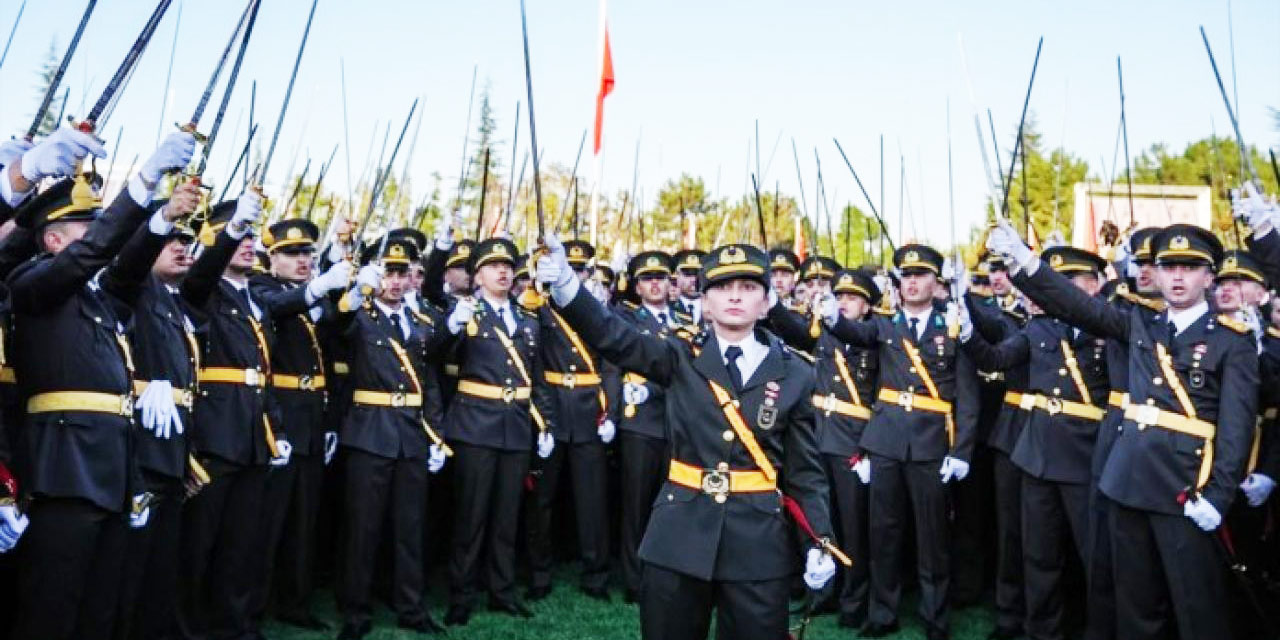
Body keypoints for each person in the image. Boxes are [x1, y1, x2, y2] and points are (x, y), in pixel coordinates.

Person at [537, 237, 836, 640]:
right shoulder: (679, 355)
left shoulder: (796, 373)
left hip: (757, 542)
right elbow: (613, 336)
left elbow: (805, 472)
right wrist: (567, 288)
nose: (734, 297)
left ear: (767, 303)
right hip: (679, 534)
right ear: (704, 301)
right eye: (722, 287)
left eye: (748, 287)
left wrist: (821, 539)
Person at [988, 220, 1258, 640]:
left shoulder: (1232, 340)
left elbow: (1237, 429)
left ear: (1209, 276)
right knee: (1135, 606)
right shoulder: (1140, 323)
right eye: (1169, 267)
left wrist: (1219, 496)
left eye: (1189, 267)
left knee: (1196, 607)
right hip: (1126, 483)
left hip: (1186, 488)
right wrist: (1025, 261)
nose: (1178, 277)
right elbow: (1076, 305)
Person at [6, 129, 194, 640]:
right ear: (52, 239)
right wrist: (143, 181)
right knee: (54, 606)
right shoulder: (33, 283)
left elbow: (127, 269)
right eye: (83, 227)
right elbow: (90, 257)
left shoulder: (97, 298)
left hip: (112, 468)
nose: (96, 236)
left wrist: (161, 218)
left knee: (100, 607)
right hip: (63, 469)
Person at [820, 243, 979, 640]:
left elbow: (968, 397)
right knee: (883, 533)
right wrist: (831, 318)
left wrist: (961, 452)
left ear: (935, 282)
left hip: (930, 444)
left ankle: (934, 617)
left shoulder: (954, 325)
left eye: (920, 275)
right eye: (905, 276)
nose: (911, 282)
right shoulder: (886, 325)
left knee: (932, 538)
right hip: (886, 441)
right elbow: (854, 332)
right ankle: (882, 612)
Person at [960, 246, 1111, 640]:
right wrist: (967, 335)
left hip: (1087, 455)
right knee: (1037, 554)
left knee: (1095, 557)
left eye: (1068, 283)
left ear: (1094, 286)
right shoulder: (1040, 328)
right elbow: (996, 358)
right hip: (1037, 454)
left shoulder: (1111, 328)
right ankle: (1041, 631)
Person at [334, 235, 450, 640]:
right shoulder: (360, 315)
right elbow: (337, 323)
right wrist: (355, 289)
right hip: (370, 431)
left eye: (403, 273)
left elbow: (429, 382)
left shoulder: (420, 324)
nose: (396, 281)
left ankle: (411, 608)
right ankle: (355, 612)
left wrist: (436, 435)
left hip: (411, 434)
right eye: (389, 272)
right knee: (363, 528)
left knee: (410, 527)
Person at [440, 236, 554, 626]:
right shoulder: (465, 314)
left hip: (516, 426)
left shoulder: (526, 318)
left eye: (508, 266)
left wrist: (545, 423)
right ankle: (461, 594)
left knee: (507, 516)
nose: (503, 272)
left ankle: (501, 591)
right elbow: (434, 355)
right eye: (493, 266)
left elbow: (536, 378)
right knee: (471, 517)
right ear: (477, 275)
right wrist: (451, 326)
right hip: (475, 424)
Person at [110, 188, 203, 640]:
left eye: (186, 241)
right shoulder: (134, 286)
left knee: (160, 562)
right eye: (171, 241)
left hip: (171, 444)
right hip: (139, 445)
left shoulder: (171, 299)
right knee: (130, 564)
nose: (182, 247)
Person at [249, 218, 351, 630]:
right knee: (268, 521)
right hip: (280, 415)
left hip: (311, 415)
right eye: (292, 254)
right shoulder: (262, 288)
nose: (302, 260)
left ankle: (295, 600)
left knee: (303, 520)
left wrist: (350, 295)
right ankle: (254, 606)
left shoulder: (313, 298)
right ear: (271, 258)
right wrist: (319, 287)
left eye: (307, 253)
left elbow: (335, 339)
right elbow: (278, 307)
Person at [768, 267, 881, 629]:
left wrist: (869, 448)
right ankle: (822, 593)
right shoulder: (823, 333)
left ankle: (854, 600)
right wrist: (772, 303)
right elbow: (795, 333)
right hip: (818, 436)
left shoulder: (877, 339)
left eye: (853, 298)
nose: (845, 303)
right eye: (841, 296)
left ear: (867, 307)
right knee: (819, 524)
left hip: (853, 441)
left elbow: (884, 397)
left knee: (853, 527)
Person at [526, 239, 615, 602]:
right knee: (542, 499)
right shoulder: (539, 308)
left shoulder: (593, 310)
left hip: (588, 409)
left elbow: (611, 362)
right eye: (570, 268)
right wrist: (541, 417)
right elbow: (528, 361)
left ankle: (596, 575)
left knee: (592, 500)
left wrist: (609, 411)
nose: (575, 275)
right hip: (551, 406)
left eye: (581, 270)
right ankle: (539, 573)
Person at [610, 250, 694, 603]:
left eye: (661, 277)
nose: (656, 284)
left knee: (671, 506)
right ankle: (634, 579)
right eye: (647, 278)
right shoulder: (626, 318)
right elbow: (612, 363)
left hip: (675, 422)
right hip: (640, 422)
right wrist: (613, 413)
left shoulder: (685, 318)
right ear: (637, 286)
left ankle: (666, 575)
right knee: (636, 505)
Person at [671, 249, 706, 325]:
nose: (693, 279)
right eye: (688, 274)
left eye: (698, 274)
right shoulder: (667, 309)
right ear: (677, 276)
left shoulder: (715, 309)